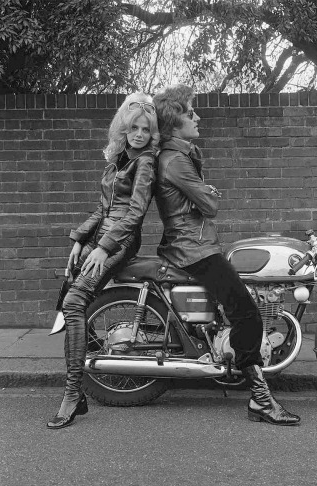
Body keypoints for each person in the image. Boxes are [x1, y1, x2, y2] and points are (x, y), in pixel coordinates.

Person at [153, 84, 300, 426]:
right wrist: (205, 194)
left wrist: (202, 195)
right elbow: (211, 205)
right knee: (247, 314)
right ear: (175, 122)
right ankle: (260, 400)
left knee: (238, 305)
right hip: (192, 249)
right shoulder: (176, 161)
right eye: (191, 113)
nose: (197, 117)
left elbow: (204, 201)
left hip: (195, 243)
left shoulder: (180, 156)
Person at [47, 93, 159, 429]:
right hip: (101, 239)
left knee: (74, 300)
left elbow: (135, 214)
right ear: (123, 129)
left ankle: (72, 394)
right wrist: (80, 240)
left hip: (122, 242)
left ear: (152, 132)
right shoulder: (117, 160)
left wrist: (104, 247)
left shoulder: (145, 163)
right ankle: (78, 384)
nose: (139, 133)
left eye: (145, 128)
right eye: (133, 127)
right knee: (72, 303)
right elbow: (102, 209)